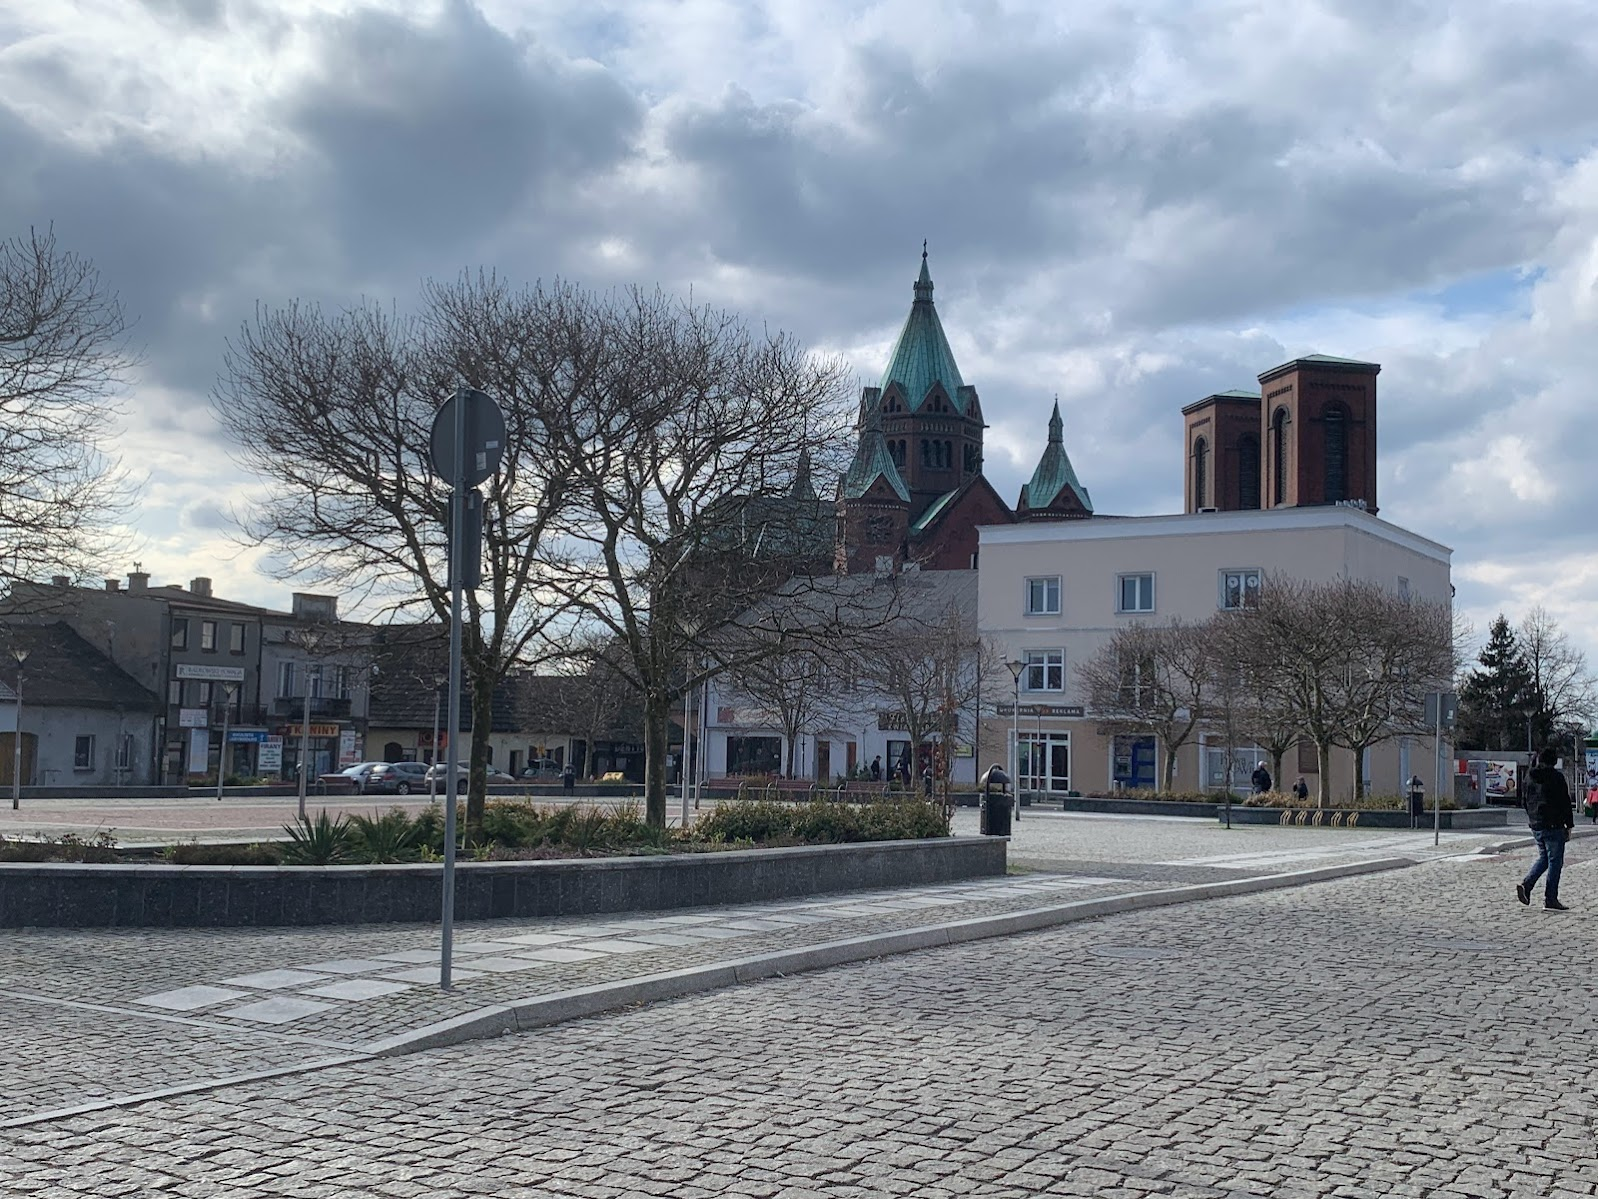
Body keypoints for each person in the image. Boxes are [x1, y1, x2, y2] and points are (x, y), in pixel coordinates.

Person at [1518, 746, 1575, 911]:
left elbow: (1524, 800)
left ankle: (1526, 886)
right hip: (1553, 825)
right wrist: (1569, 825)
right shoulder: (1556, 777)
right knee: (1555, 862)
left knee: (1544, 858)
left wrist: (1533, 818)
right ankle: (1550, 898)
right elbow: (1565, 802)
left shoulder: (1529, 777)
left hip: (1536, 824)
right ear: (1553, 761)